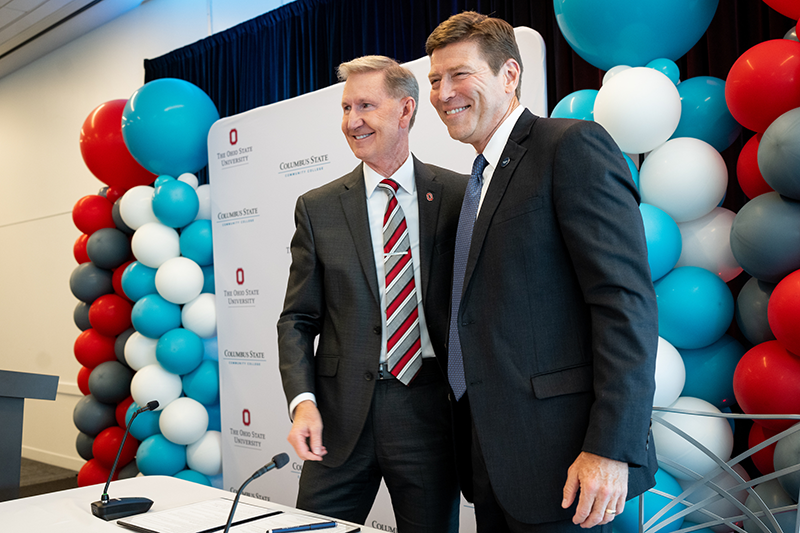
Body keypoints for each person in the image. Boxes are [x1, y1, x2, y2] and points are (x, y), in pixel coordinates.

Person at [425, 12, 659, 533]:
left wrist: (609, 448)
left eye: (459, 74)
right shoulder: (477, 182)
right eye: (435, 80)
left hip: (571, 467)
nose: (443, 93)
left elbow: (624, 304)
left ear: (509, 75)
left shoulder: (570, 146)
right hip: (492, 457)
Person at [277, 55, 464, 532]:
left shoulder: (459, 196)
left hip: (428, 411)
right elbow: (297, 319)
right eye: (345, 108)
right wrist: (303, 402)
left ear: (405, 110)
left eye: (365, 105)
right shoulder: (317, 208)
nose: (352, 121)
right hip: (338, 419)